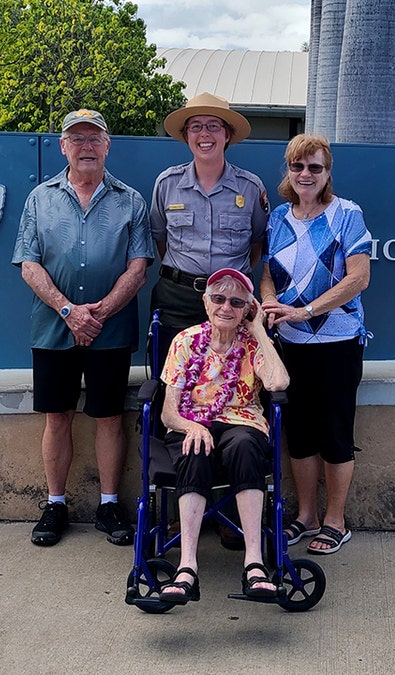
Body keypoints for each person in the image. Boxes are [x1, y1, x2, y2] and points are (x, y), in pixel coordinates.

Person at [11, 109, 154, 547]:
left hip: (111, 331)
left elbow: (138, 267)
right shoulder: (40, 198)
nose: (86, 146)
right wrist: (69, 311)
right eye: (78, 139)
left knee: (110, 416)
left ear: (107, 146)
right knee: (58, 416)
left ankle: (109, 505)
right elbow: (27, 264)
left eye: (95, 139)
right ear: (63, 146)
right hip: (53, 328)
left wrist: (100, 314)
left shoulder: (131, 200)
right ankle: (55, 504)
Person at [149, 92, 270, 550]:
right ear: (185, 136)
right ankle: (185, 509)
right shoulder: (166, 184)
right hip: (179, 297)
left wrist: (228, 296)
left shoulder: (250, 186)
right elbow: (159, 240)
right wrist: (193, 287)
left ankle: (227, 514)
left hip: (229, 304)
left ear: (227, 136)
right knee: (178, 399)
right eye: (195, 127)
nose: (204, 134)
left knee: (233, 397)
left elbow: (257, 245)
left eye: (213, 127)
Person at [261, 134, 372, 556]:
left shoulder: (347, 215)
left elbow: (358, 278)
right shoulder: (277, 219)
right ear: (288, 170)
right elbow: (268, 271)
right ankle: (306, 516)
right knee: (301, 433)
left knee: (335, 433)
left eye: (315, 168)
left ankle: (335, 521)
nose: (305, 175)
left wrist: (307, 312)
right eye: (298, 167)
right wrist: (270, 300)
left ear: (328, 173)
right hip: (289, 344)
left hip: (337, 341)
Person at [157, 268, 290, 604]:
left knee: (246, 445)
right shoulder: (185, 341)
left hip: (242, 424)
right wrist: (193, 426)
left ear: (247, 308)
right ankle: (187, 567)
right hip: (192, 424)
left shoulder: (252, 345)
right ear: (206, 303)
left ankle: (255, 564)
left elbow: (278, 383)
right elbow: (168, 413)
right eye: (218, 298)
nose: (226, 307)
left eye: (236, 301)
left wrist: (259, 329)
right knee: (194, 449)